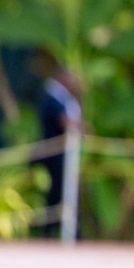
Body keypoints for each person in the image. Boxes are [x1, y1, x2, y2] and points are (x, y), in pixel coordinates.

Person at [36, 59, 84, 239]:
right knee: (59, 189)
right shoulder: (52, 96)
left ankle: (59, 230)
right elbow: (65, 123)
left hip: (65, 153)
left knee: (61, 190)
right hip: (56, 152)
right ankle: (53, 230)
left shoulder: (63, 96)